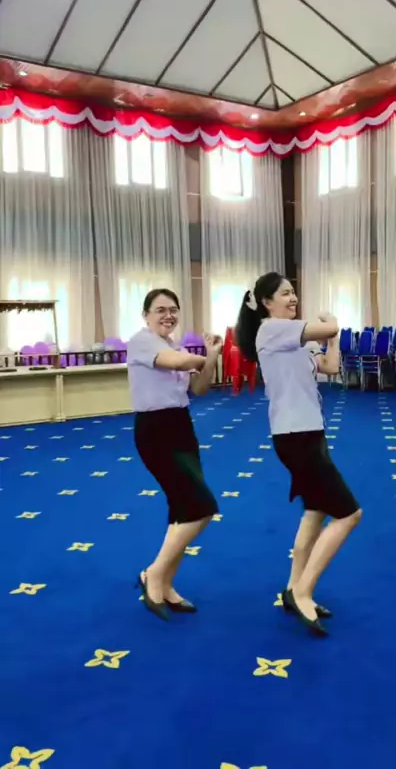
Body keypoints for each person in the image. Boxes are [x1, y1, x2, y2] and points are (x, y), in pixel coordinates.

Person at [236, 272, 362, 636]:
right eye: (285, 293)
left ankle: (294, 587)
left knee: (316, 510)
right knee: (349, 514)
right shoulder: (272, 330)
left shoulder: (294, 336)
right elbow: (328, 326)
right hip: (295, 437)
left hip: (310, 433)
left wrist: (332, 339)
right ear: (266, 303)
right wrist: (331, 324)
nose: (293, 298)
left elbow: (330, 367)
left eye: (294, 292)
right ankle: (303, 591)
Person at [127, 288, 222, 621]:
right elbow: (179, 363)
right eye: (160, 310)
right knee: (202, 507)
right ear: (146, 315)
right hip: (155, 431)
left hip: (181, 427)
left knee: (182, 509)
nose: (168, 315)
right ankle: (154, 573)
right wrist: (200, 358)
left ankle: (166, 583)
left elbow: (200, 388)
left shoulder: (175, 346)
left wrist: (212, 355)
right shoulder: (141, 342)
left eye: (173, 310)